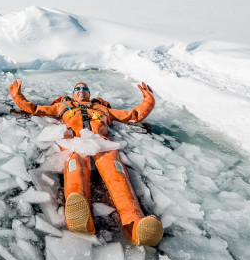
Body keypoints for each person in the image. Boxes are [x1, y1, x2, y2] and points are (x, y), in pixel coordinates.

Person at [9, 79, 163, 246]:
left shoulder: (102, 109)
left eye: (84, 89)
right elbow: (35, 109)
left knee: (118, 177)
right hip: (76, 144)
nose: (81, 91)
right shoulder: (62, 106)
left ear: (89, 94)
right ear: (73, 93)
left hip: (103, 145)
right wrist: (18, 97)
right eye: (78, 89)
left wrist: (149, 101)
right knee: (76, 171)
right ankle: (82, 220)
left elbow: (133, 115)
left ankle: (135, 224)